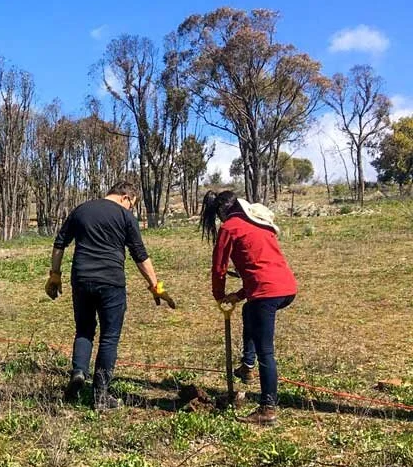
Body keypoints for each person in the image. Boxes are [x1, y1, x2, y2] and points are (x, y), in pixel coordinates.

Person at [45, 182, 174, 410]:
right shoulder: (125, 217)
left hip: (81, 279)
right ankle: (101, 396)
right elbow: (140, 255)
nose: (130, 209)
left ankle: (78, 373)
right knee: (109, 337)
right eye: (131, 205)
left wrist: (55, 275)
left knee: (84, 330)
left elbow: (59, 244)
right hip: (111, 282)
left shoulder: (81, 209)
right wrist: (156, 286)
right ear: (126, 197)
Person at [200, 190, 297, 426]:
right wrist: (239, 296)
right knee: (248, 311)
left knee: (266, 350)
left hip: (267, 293)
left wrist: (219, 295)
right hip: (286, 287)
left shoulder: (230, 227)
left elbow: (219, 268)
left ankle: (268, 409)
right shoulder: (258, 223)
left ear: (222, 212)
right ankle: (247, 366)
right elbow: (261, 268)